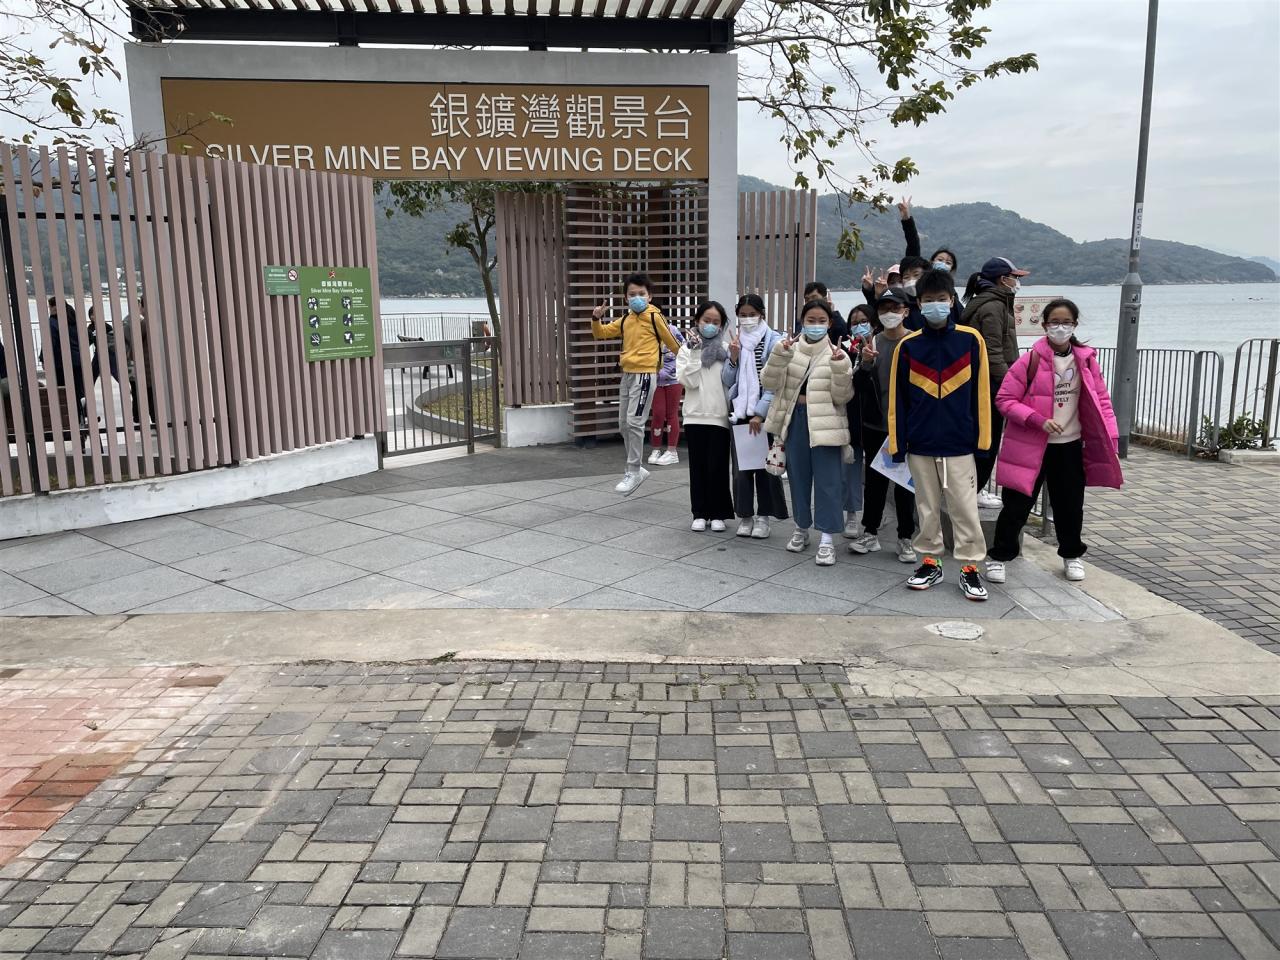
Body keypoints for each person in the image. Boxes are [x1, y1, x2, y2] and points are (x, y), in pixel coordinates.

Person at [986, 299, 1122, 584]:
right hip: (1030, 447)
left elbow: (1103, 402)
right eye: (1055, 322)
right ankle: (999, 557)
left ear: (1075, 325)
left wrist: (1111, 437)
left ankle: (1071, 555)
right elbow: (1004, 400)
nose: (1061, 328)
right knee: (1017, 505)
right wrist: (1037, 420)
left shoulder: (1086, 361)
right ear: (1045, 325)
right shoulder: (1030, 361)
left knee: (1070, 506)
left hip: (1070, 446)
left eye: (1066, 322)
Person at [888, 268, 992, 601]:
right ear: (918, 304)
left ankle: (970, 568)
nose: (936, 305)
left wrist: (983, 442)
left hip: (960, 444)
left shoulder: (970, 340)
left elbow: (982, 395)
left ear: (951, 300)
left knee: (965, 509)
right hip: (920, 444)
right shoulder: (908, 346)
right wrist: (897, 444)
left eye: (942, 299)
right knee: (927, 508)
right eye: (929, 300)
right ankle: (930, 563)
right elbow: (897, 400)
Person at [762, 300, 854, 567]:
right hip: (795, 421)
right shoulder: (788, 349)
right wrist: (779, 355)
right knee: (798, 479)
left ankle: (826, 538)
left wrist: (839, 368)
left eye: (821, 320)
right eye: (810, 320)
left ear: (830, 323)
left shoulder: (838, 354)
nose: (815, 325)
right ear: (802, 321)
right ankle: (801, 528)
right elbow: (768, 382)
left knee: (829, 482)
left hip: (827, 424)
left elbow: (843, 397)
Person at [592, 273, 683, 495]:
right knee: (624, 424)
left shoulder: (655, 317)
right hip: (628, 374)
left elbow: (673, 344)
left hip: (645, 374)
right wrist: (596, 318)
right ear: (625, 298)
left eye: (641, 293)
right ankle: (635, 470)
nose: (637, 298)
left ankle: (633, 470)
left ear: (649, 296)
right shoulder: (626, 319)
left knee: (634, 422)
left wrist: (689, 367)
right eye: (632, 294)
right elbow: (601, 333)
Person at [849, 289, 917, 563]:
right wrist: (866, 364)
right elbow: (857, 385)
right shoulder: (871, 342)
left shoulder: (916, 342)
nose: (889, 313)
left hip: (905, 425)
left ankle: (905, 537)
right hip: (875, 423)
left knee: (905, 483)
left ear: (906, 311)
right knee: (874, 481)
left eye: (895, 308)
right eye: (884, 308)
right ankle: (870, 532)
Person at [961, 256, 1030, 508]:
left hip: (983, 383)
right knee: (987, 440)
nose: (1017, 282)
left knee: (983, 438)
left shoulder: (989, 302)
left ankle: (972, 489)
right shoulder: (994, 306)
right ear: (1003, 279)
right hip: (990, 385)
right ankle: (976, 490)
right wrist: (1009, 385)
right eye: (1015, 277)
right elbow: (994, 352)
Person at [724, 294, 788, 538]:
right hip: (740, 412)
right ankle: (745, 516)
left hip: (764, 414)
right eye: (743, 315)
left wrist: (760, 413)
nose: (748, 319)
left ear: (762, 314)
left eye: (752, 314)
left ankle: (764, 517)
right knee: (742, 470)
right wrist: (733, 358)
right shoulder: (736, 341)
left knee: (765, 468)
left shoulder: (774, 341)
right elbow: (727, 380)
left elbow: (775, 383)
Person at [676, 301, 735, 532]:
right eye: (706, 320)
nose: (710, 325)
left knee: (718, 467)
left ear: (721, 325)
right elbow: (689, 382)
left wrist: (734, 358)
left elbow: (731, 381)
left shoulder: (727, 349)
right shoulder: (685, 349)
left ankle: (718, 513)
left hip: (719, 416)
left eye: (716, 322)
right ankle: (699, 513)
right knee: (698, 467)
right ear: (697, 321)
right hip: (694, 416)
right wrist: (694, 352)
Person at [839, 303, 875, 537]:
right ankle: (851, 515)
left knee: (876, 476)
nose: (859, 326)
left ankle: (872, 521)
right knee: (850, 470)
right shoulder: (845, 350)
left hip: (876, 421)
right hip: (852, 420)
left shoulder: (882, 345)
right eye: (854, 322)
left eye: (863, 321)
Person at [39, 297, 87, 425]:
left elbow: (49, 342)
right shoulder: (73, 319)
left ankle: (70, 421)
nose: (49, 310)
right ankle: (81, 418)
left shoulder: (53, 322)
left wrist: (43, 359)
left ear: (54, 307)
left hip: (61, 363)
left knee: (63, 392)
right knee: (77, 392)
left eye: (50, 307)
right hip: (77, 361)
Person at [648, 319, 686, 466]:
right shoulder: (647, 331)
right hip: (655, 379)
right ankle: (655, 449)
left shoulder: (673, 330)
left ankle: (672, 451)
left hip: (674, 379)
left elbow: (683, 350)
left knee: (671, 414)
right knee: (658, 413)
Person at [898, 196, 959, 275]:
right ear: (932, 262)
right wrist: (906, 218)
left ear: (952, 268)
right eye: (940, 260)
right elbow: (913, 244)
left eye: (948, 263)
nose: (943, 264)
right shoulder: (921, 279)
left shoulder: (950, 284)